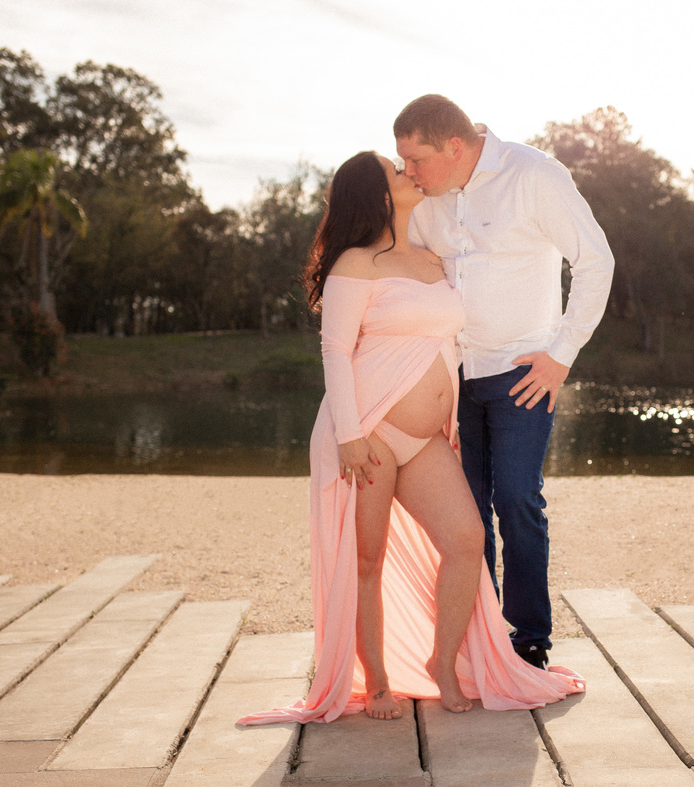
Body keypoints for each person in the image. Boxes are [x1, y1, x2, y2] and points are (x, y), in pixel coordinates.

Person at [238, 152, 583, 726]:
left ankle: (442, 663)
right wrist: (350, 436)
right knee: (368, 559)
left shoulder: (431, 257)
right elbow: (334, 351)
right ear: (376, 195)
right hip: (367, 432)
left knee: (466, 539)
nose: (409, 173)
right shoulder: (356, 262)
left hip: (424, 440)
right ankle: (374, 682)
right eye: (396, 171)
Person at [395, 95, 614, 669]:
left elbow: (596, 261)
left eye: (416, 160)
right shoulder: (425, 203)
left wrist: (561, 355)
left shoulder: (533, 174)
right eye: (402, 163)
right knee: (467, 513)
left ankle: (528, 636)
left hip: (523, 373)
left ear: (455, 146)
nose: (409, 173)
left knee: (516, 497)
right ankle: (481, 636)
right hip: (450, 379)